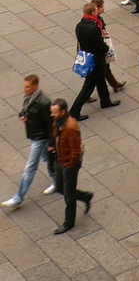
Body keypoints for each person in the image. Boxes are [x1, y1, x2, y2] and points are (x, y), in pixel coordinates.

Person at [2, 74, 53, 211]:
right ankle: (57, 182)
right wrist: (22, 115)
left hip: (40, 138)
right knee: (47, 158)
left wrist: (52, 143)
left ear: (35, 87)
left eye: (27, 87)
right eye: (24, 86)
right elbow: (24, 111)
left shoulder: (43, 103)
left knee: (30, 167)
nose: (24, 89)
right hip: (33, 134)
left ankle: (18, 198)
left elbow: (50, 124)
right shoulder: (29, 99)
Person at [49, 97, 93, 234]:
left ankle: (69, 222)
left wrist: (69, 166)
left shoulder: (70, 126)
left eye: (54, 112)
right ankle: (85, 196)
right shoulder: (57, 122)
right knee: (59, 187)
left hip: (69, 164)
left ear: (63, 112)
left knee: (68, 194)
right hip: (59, 159)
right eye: (52, 112)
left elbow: (76, 150)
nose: (52, 115)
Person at [69, 2, 120, 120]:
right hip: (95, 60)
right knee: (89, 86)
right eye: (96, 10)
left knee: (100, 79)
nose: (98, 12)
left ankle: (105, 101)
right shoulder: (93, 28)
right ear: (92, 12)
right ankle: (74, 111)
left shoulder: (80, 25)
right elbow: (99, 46)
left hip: (87, 57)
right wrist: (106, 47)